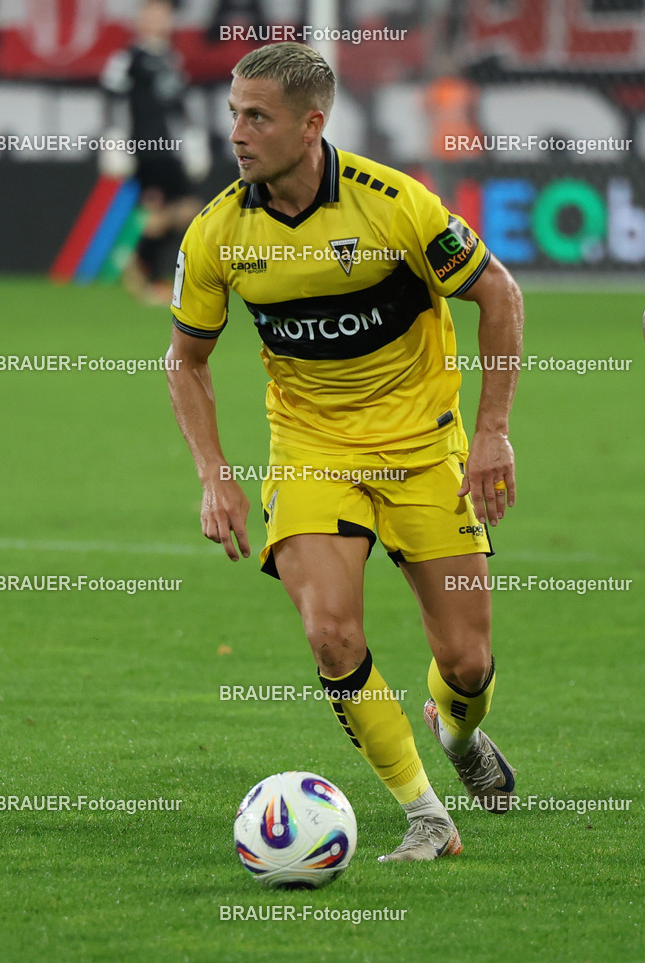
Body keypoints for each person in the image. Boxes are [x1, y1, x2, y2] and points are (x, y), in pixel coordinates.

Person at [166, 43, 524, 862]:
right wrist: (214, 474)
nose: (238, 133)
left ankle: (457, 732)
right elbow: (183, 360)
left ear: (311, 124)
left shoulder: (393, 204)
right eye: (233, 114)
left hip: (420, 446)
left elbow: (496, 290)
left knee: (465, 662)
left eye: (257, 116)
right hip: (309, 450)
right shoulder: (220, 229)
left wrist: (493, 427)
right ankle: (426, 816)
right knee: (330, 635)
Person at [101, 0, 209, 303]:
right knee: (155, 213)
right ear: (140, 18)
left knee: (187, 211)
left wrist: (193, 139)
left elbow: (178, 107)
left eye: (164, 13)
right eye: (152, 13)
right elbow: (112, 98)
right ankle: (147, 280)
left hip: (171, 150)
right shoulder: (127, 58)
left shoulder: (171, 59)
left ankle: (136, 265)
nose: (159, 19)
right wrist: (114, 138)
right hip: (146, 148)